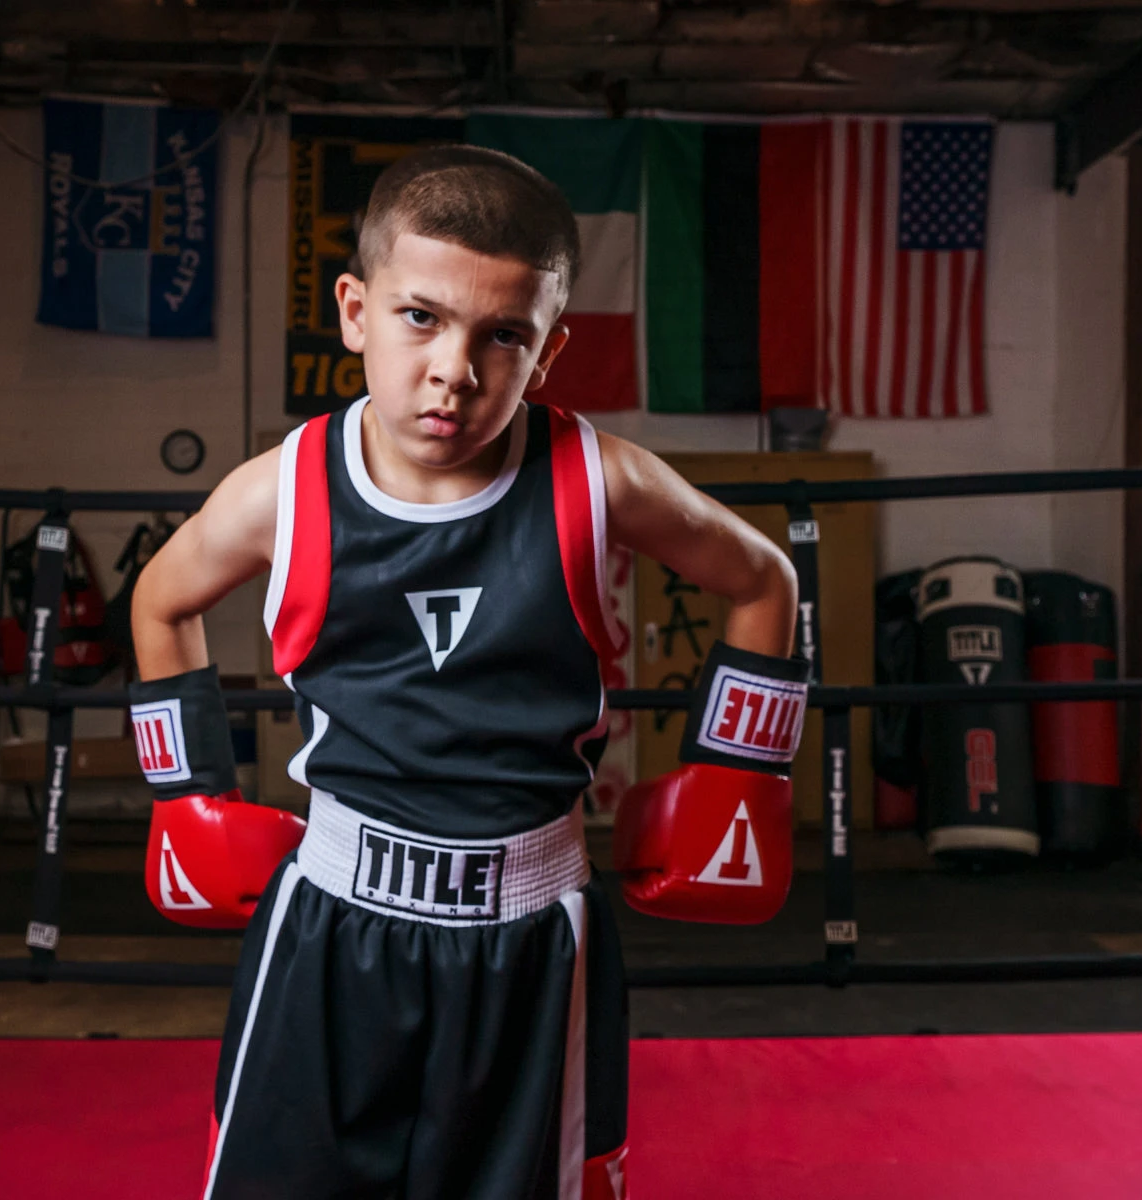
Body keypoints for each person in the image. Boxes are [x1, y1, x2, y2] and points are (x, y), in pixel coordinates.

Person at [128, 145, 801, 1199]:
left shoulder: (598, 480)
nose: (456, 369)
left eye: (504, 335)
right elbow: (159, 599)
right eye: (421, 317)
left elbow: (764, 579)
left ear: (550, 349)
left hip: (533, 937)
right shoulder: (284, 491)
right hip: (332, 924)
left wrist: (736, 776)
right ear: (355, 311)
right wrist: (186, 794)